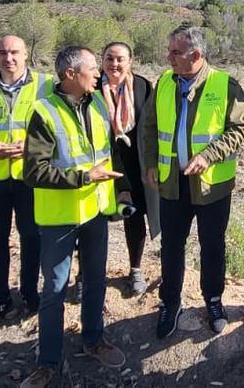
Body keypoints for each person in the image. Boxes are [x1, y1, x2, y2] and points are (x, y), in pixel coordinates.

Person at [20, 47, 129, 388]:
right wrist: (83, 178)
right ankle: (48, 361)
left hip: (95, 211)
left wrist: (121, 189)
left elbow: (109, 154)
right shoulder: (44, 111)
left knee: (95, 280)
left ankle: (94, 339)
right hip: (59, 217)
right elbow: (33, 171)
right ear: (70, 74)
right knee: (54, 289)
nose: (99, 73)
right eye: (93, 68)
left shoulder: (97, 103)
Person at [141, 25, 244, 338]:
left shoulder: (225, 84)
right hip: (172, 182)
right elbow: (149, 126)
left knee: (212, 245)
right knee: (171, 245)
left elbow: (240, 128)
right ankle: (170, 302)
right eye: (170, 51)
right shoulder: (164, 81)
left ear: (196, 55)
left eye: (175, 52)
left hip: (210, 185)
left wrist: (209, 155)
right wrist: (150, 161)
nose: (169, 57)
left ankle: (213, 300)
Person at [0, 34, 55, 324]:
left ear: (26, 53)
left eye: (15, 52)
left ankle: (30, 293)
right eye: (3, 52)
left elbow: (57, 128)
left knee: (32, 237)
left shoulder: (46, 85)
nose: (9, 58)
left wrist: (30, 147)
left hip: (30, 176)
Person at [99, 41, 155, 296]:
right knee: (93, 219)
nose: (114, 64)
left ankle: (135, 269)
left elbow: (151, 123)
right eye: (109, 58)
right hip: (101, 162)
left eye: (120, 59)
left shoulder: (143, 86)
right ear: (102, 61)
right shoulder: (91, 87)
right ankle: (84, 274)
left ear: (130, 61)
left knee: (133, 216)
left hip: (135, 163)